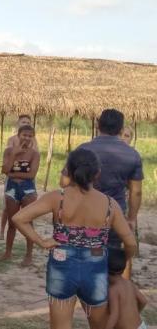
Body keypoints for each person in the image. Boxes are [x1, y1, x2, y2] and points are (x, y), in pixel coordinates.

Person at [13, 148, 136, 329]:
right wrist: (122, 261)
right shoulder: (110, 204)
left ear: (68, 171)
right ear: (97, 174)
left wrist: (42, 242)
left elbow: (19, 218)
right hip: (96, 267)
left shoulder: (58, 198)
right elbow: (131, 242)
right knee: (99, 325)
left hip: (61, 267)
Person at [61, 109, 143, 279]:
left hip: (83, 212)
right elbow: (136, 191)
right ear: (121, 129)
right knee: (116, 254)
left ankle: (87, 290)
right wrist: (132, 218)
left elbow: (65, 182)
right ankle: (119, 291)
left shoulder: (83, 149)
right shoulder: (132, 155)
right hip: (115, 212)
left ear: (98, 125)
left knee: (81, 251)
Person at [0, 125, 39, 266]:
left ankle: (29, 255)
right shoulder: (9, 151)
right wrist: (14, 154)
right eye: (24, 135)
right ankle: (8, 252)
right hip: (11, 189)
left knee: (28, 222)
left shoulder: (34, 154)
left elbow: (31, 175)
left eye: (30, 136)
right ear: (18, 135)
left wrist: (12, 174)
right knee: (12, 222)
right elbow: (4, 169)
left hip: (28, 190)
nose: (27, 138)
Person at [106, 248, 148, 329]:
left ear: (106, 270)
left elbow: (114, 315)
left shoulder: (113, 290)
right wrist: (136, 313)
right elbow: (143, 301)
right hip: (141, 326)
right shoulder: (129, 283)